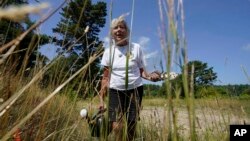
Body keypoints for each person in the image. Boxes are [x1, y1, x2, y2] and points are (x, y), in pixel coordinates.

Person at [99, 15, 161, 141]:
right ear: (112, 32)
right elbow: (105, 78)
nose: (119, 30)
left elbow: (142, 71)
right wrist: (101, 99)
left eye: (122, 27)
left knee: (132, 125)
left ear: (127, 31)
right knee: (117, 126)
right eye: (116, 28)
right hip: (115, 90)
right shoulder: (108, 52)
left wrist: (151, 77)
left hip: (135, 89)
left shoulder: (136, 48)